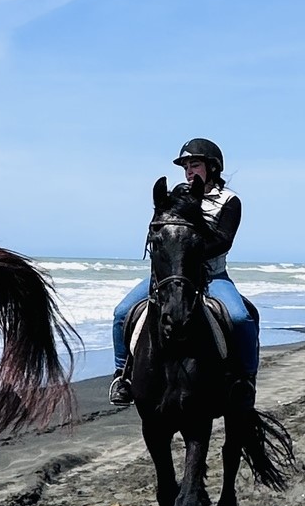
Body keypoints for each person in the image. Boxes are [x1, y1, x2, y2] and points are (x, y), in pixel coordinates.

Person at [109, 138, 259, 406]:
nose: (189, 171)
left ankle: (244, 379)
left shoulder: (229, 201)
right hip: (170, 277)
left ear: (212, 167)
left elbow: (223, 240)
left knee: (240, 318)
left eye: (195, 164)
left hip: (212, 277)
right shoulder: (176, 196)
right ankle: (122, 376)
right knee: (122, 313)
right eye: (186, 166)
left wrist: (188, 250)